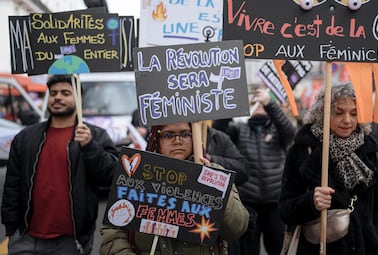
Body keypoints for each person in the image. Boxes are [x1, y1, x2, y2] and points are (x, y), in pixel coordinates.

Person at [1, 74, 119, 255]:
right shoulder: (26, 138)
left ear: (78, 99)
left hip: (71, 241)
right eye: (53, 93)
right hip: (24, 239)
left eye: (65, 93)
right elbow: (12, 186)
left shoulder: (94, 135)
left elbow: (112, 176)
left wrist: (90, 147)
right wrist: (11, 229)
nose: (57, 97)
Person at [100, 122, 250, 255]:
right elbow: (113, 233)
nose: (178, 140)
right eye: (169, 135)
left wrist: (216, 187)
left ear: (195, 137)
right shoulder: (136, 174)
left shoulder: (215, 174)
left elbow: (237, 228)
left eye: (185, 134)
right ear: (156, 139)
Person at [278, 82, 378, 254]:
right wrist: (311, 202)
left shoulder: (367, 149)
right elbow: (286, 210)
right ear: (322, 113)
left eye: (354, 113)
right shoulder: (302, 151)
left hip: (364, 247)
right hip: (320, 248)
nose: (347, 120)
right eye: (338, 112)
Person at [213, 88, 297, 255]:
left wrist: (269, 104)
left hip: (274, 203)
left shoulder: (276, 130)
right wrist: (234, 105)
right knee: (247, 249)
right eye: (256, 103)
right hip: (247, 203)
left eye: (262, 104)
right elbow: (219, 129)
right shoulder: (238, 129)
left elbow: (290, 132)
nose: (259, 106)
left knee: (279, 248)